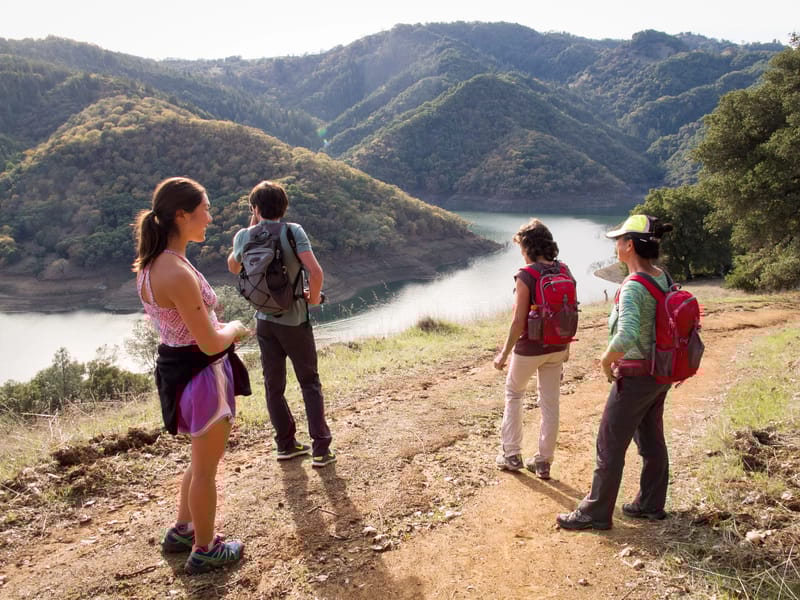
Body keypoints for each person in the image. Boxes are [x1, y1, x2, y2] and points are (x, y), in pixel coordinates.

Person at [133, 176, 251, 574]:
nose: (210, 217)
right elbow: (210, 342)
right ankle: (205, 548)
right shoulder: (176, 272)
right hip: (203, 375)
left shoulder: (151, 265)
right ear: (181, 215)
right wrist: (235, 326)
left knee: (199, 459)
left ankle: (183, 529)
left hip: (178, 369)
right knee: (205, 469)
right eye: (205, 210)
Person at [557, 214, 674, 530]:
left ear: (630, 246)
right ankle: (650, 504)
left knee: (609, 442)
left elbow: (627, 334)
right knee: (651, 438)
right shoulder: (660, 276)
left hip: (636, 375)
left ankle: (595, 512)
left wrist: (606, 360)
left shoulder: (634, 286)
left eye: (620, 240)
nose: (616, 244)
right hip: (659, 372)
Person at [227, 180, 335, 467]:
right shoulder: (292, 231)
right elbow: (315, 271)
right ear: (284, 207)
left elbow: (233, 266)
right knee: (309, 382)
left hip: (264, 321)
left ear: (255, 208)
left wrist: (252, 224)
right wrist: (312, 299)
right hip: (295, 320)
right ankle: (321, 449)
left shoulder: (243, 236)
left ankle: (285, 445)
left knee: (273, 385)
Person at [493, 218, 573, 480]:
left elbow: (518, 320)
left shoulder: (526, 275)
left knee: (514, 394)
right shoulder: (564, 270)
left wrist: (504, 354)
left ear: (527, 247)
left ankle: (512, 455)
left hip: (530, 349)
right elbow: (569, 312)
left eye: (521, 247)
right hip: (557, 346)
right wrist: (566, 348)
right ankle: (543, 462)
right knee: (550, 403)